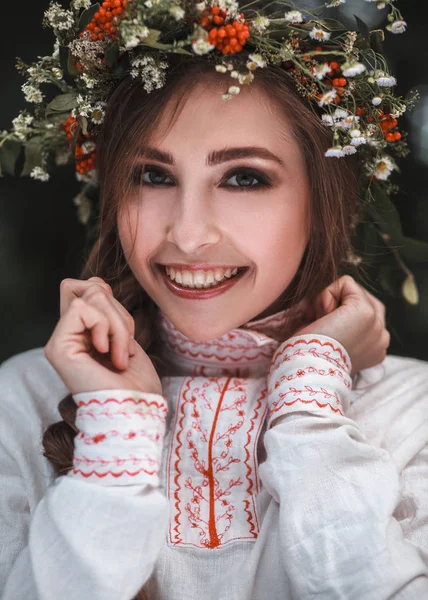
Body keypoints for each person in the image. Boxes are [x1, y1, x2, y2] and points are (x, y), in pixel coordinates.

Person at [1, 2, 427, 599]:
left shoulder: (414, 410)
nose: (187, 234)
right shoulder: (20, 399)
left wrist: (307, 402)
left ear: (325, 200)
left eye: (244, 178)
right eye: (152, 176)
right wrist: (115, 435)